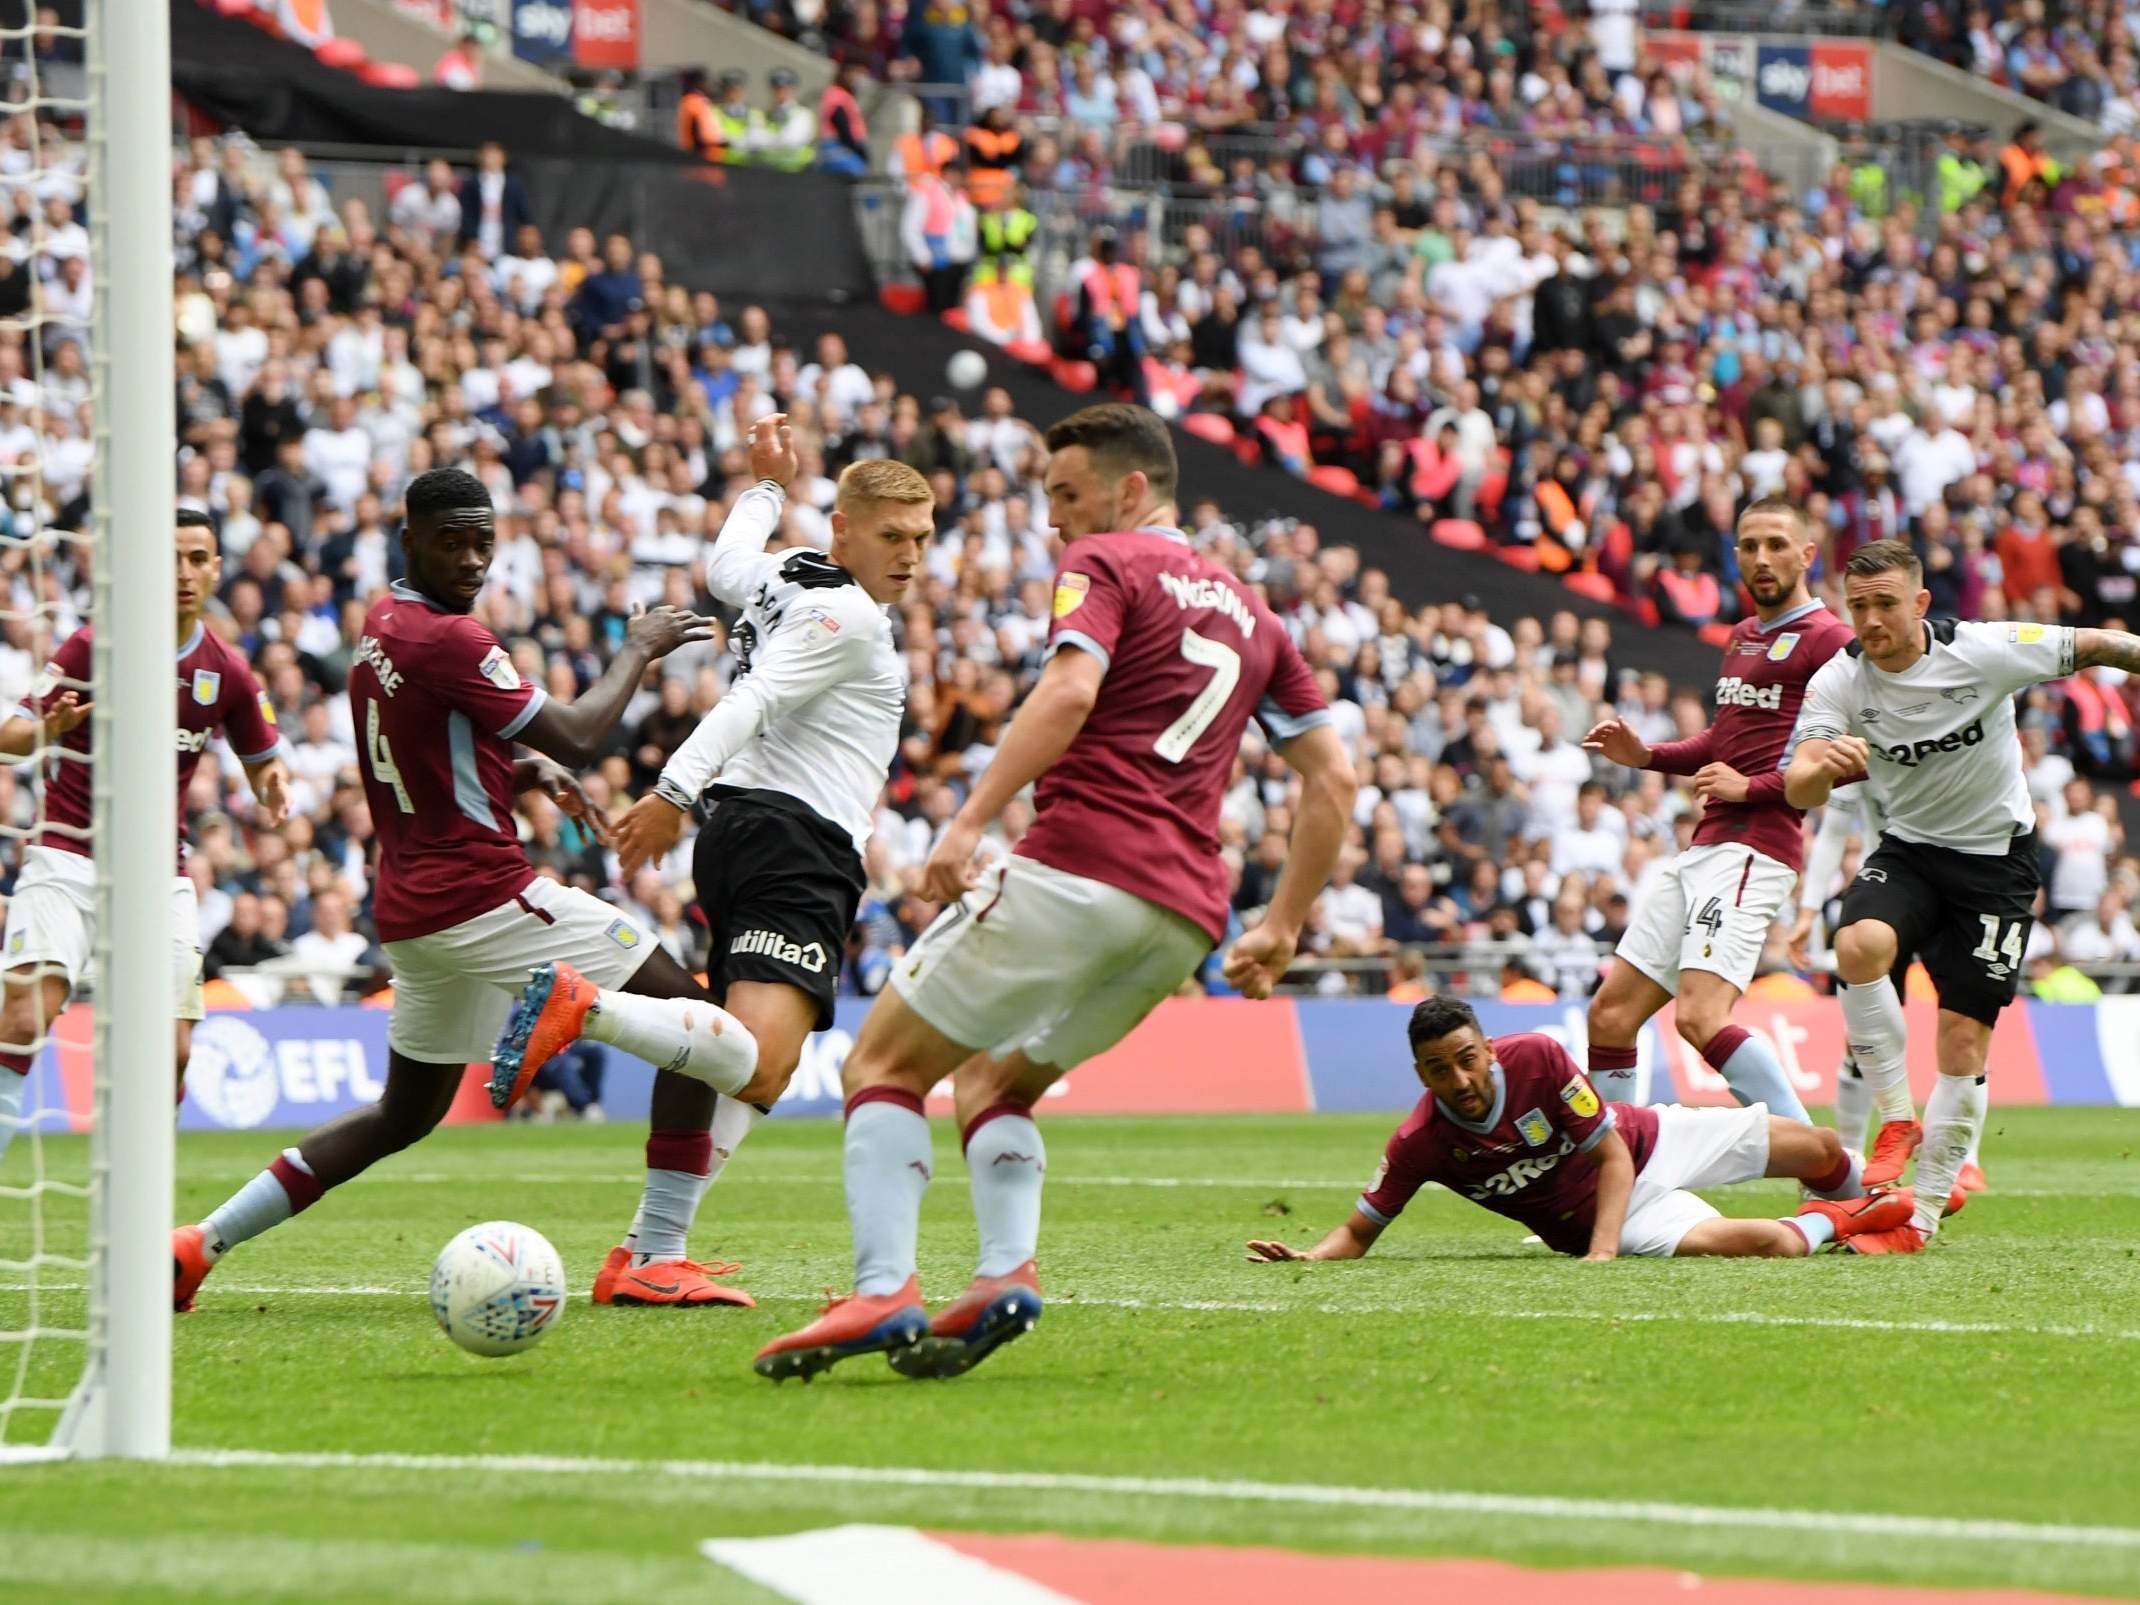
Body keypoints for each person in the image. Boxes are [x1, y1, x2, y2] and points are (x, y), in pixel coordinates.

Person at [753, 403, 1357, 1382]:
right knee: (996, 1079)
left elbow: (1071, 693)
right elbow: (1333, 778)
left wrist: (969, 820)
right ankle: (1003, 1273)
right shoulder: (1259, 618)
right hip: (1182, 918)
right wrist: (1282, 923)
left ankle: (880, 1288)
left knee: (880, 1066)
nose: (1054, 522)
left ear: (1129, 492)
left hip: (1081, 862)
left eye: (1066, 496)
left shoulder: (1108, 565)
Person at [172, 470, 742, 1311]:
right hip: (486, 896)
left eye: (484, 541)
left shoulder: (382, 622)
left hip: (413, 911)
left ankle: (197, 1243)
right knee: (698, 1028)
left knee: (403, 1114)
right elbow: (584, 732)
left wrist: (516, 768)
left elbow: (419, 765)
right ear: (411, 539)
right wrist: (639, 646)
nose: (472, 558)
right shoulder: (450, 640)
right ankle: (655, 1249)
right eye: (453, 541)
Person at [495, 419, 933, 1308]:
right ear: (843, 529)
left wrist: (765, 487)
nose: (912, 556)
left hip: (745, 837)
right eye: (892, 536)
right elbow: (755, 698)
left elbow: (726, 567)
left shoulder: (788, 575)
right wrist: (670, 791)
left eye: (922, 537)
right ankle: (589, 1008)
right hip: (792, 841)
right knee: (761, 1066)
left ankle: (652, 1252)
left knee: (740, 1063)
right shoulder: (846, 615)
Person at [1783, 538, 2140, 1251]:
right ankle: (1895, 1119)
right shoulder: (1839, 681)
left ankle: (1921, 1213)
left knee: (1961, 1040)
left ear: (1919, 603)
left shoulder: (1986, 649)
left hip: (1995, 865)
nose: (1871, 620)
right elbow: (1798, 786)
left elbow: (2103, 642)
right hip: (1910, 852)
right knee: (1856, 944)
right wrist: (1822, 767)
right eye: (1858, 607)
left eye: (1886, 603)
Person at [0, 509, 292, 1171]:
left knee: (174, 1052)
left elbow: (262, 753)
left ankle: (139, 1188)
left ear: (217, 567)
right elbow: (8, 737)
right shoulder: (94, 646)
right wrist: (50, 728)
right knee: (23, 1017)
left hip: (160, 874)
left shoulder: (228, 669)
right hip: (67, 857)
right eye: (172, 557)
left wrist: (272, 782)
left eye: (198, 558)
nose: (184, 572)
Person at [1243, 998, 1911, 1266]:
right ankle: (1856, 1216)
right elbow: (1359, 1231)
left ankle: (1876, 1204)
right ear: (1422, 1073)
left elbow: (1612, 1151)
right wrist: (1309, 1258)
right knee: (1774, 1245)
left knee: (1819, 1146)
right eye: (1441, 1069)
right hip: (1615, 1220)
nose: (1461, 1078)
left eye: (1468, 1058)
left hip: (1646, 1143)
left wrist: (1598, 1256)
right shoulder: (1420, 1141)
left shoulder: (1535, 1055)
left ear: (1490, 1049)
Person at [1581, 497, 1855, 1124]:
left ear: (1807, 555)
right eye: (1750, 546)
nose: (1763, 558)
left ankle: (1827, 1168)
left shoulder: (1830, 640)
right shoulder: (1741, 635)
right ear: (1734, 555)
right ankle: (1619, 1182)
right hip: (1707, 846)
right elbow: (1721, 745)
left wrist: (1750, 789)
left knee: (1700, 1017)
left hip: (1758, 848)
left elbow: (1850, 757)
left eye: (1778, 545)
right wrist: (1646, 754)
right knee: (1611, 1014)